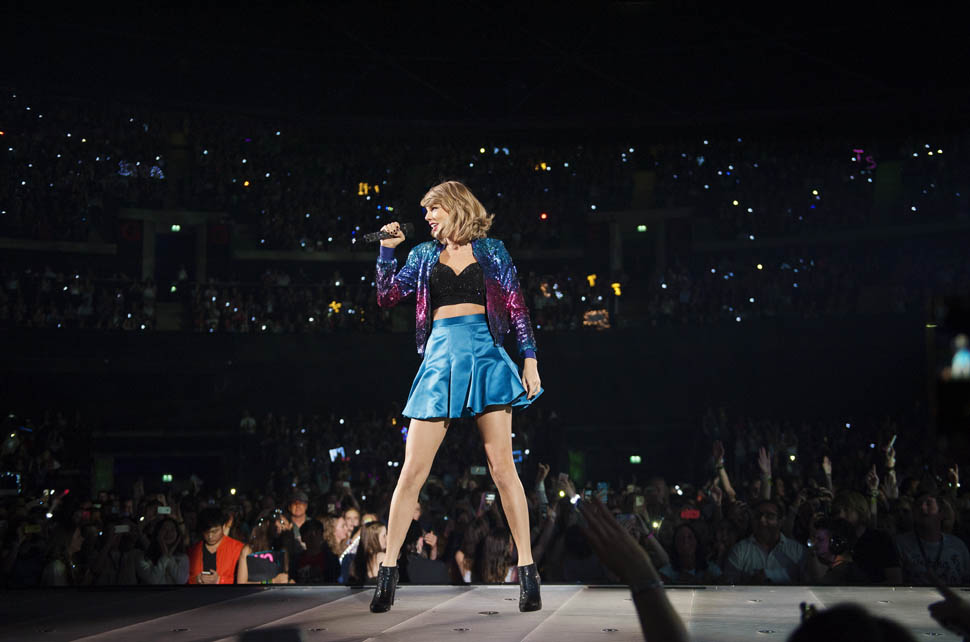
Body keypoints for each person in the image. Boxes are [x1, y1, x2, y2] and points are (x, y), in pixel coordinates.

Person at [370, 181, 543, 613]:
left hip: (486, 353)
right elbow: (387, 296)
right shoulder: (423, 255)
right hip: (441, 356)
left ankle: (527, 570)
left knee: (502, 468)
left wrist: (530, 359)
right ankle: (387, 572)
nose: (427, 217)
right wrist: (387, 251)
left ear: (456, 207)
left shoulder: (493, 251)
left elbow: (517, 307)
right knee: (412, 471)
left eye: (434, 209)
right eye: (426, 211)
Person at [723, 498, 808, 584]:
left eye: (769, 516)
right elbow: (729, 584)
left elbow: (808, 582)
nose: (762, 520)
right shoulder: (740, 550)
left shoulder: (798, 551)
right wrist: (751, 582)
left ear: (780, 521)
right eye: (758, 516)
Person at [895, 491, 970, 585]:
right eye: (918, 505)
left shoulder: (958, 546)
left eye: (928, 504)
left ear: (941, 513)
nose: (922, 507)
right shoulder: (900, 544)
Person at [187, 507, 244, 584]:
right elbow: (183, 579)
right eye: (206, 532)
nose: (210, 536)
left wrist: (219, 580)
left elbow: (244, 581)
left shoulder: (238, 548)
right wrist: (196, 580)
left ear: (223, 527)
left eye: (215, 531)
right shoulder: (193, 551)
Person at [237, 510, 290, 584]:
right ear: (266, 524)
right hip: (254, 591)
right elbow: (241, 583)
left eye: (281, 523)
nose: (280, 527)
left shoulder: (282, 549)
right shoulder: (249, 550)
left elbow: (285, 577)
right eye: (275, 523)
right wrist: (271, 581)